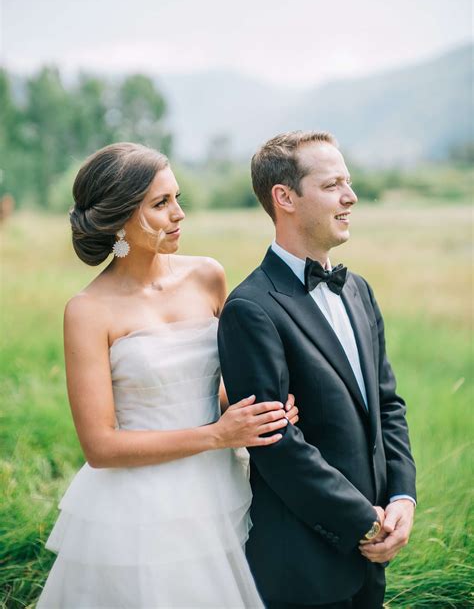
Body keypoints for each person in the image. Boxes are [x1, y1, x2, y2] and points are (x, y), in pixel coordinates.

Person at [37, 142, 300, 609]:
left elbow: (216, 388)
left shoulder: (207, 276)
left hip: (221, 490)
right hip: (138, 509)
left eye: (177, 198)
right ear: (119, 216)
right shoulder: (87, 311)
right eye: (161, 204)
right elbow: (100, 447)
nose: (179, 214)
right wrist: (217, 435)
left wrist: (261, 410)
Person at [218, 131, 416, 609]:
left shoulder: (359, 290)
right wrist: (361, 520)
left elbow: (387, 403)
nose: (350, 197)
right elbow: (276, 445)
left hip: (373, 554)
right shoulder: (251, 307)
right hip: (304, 564)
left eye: (347, 183)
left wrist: (402, 500)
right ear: (284, 198)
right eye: (332, 186)